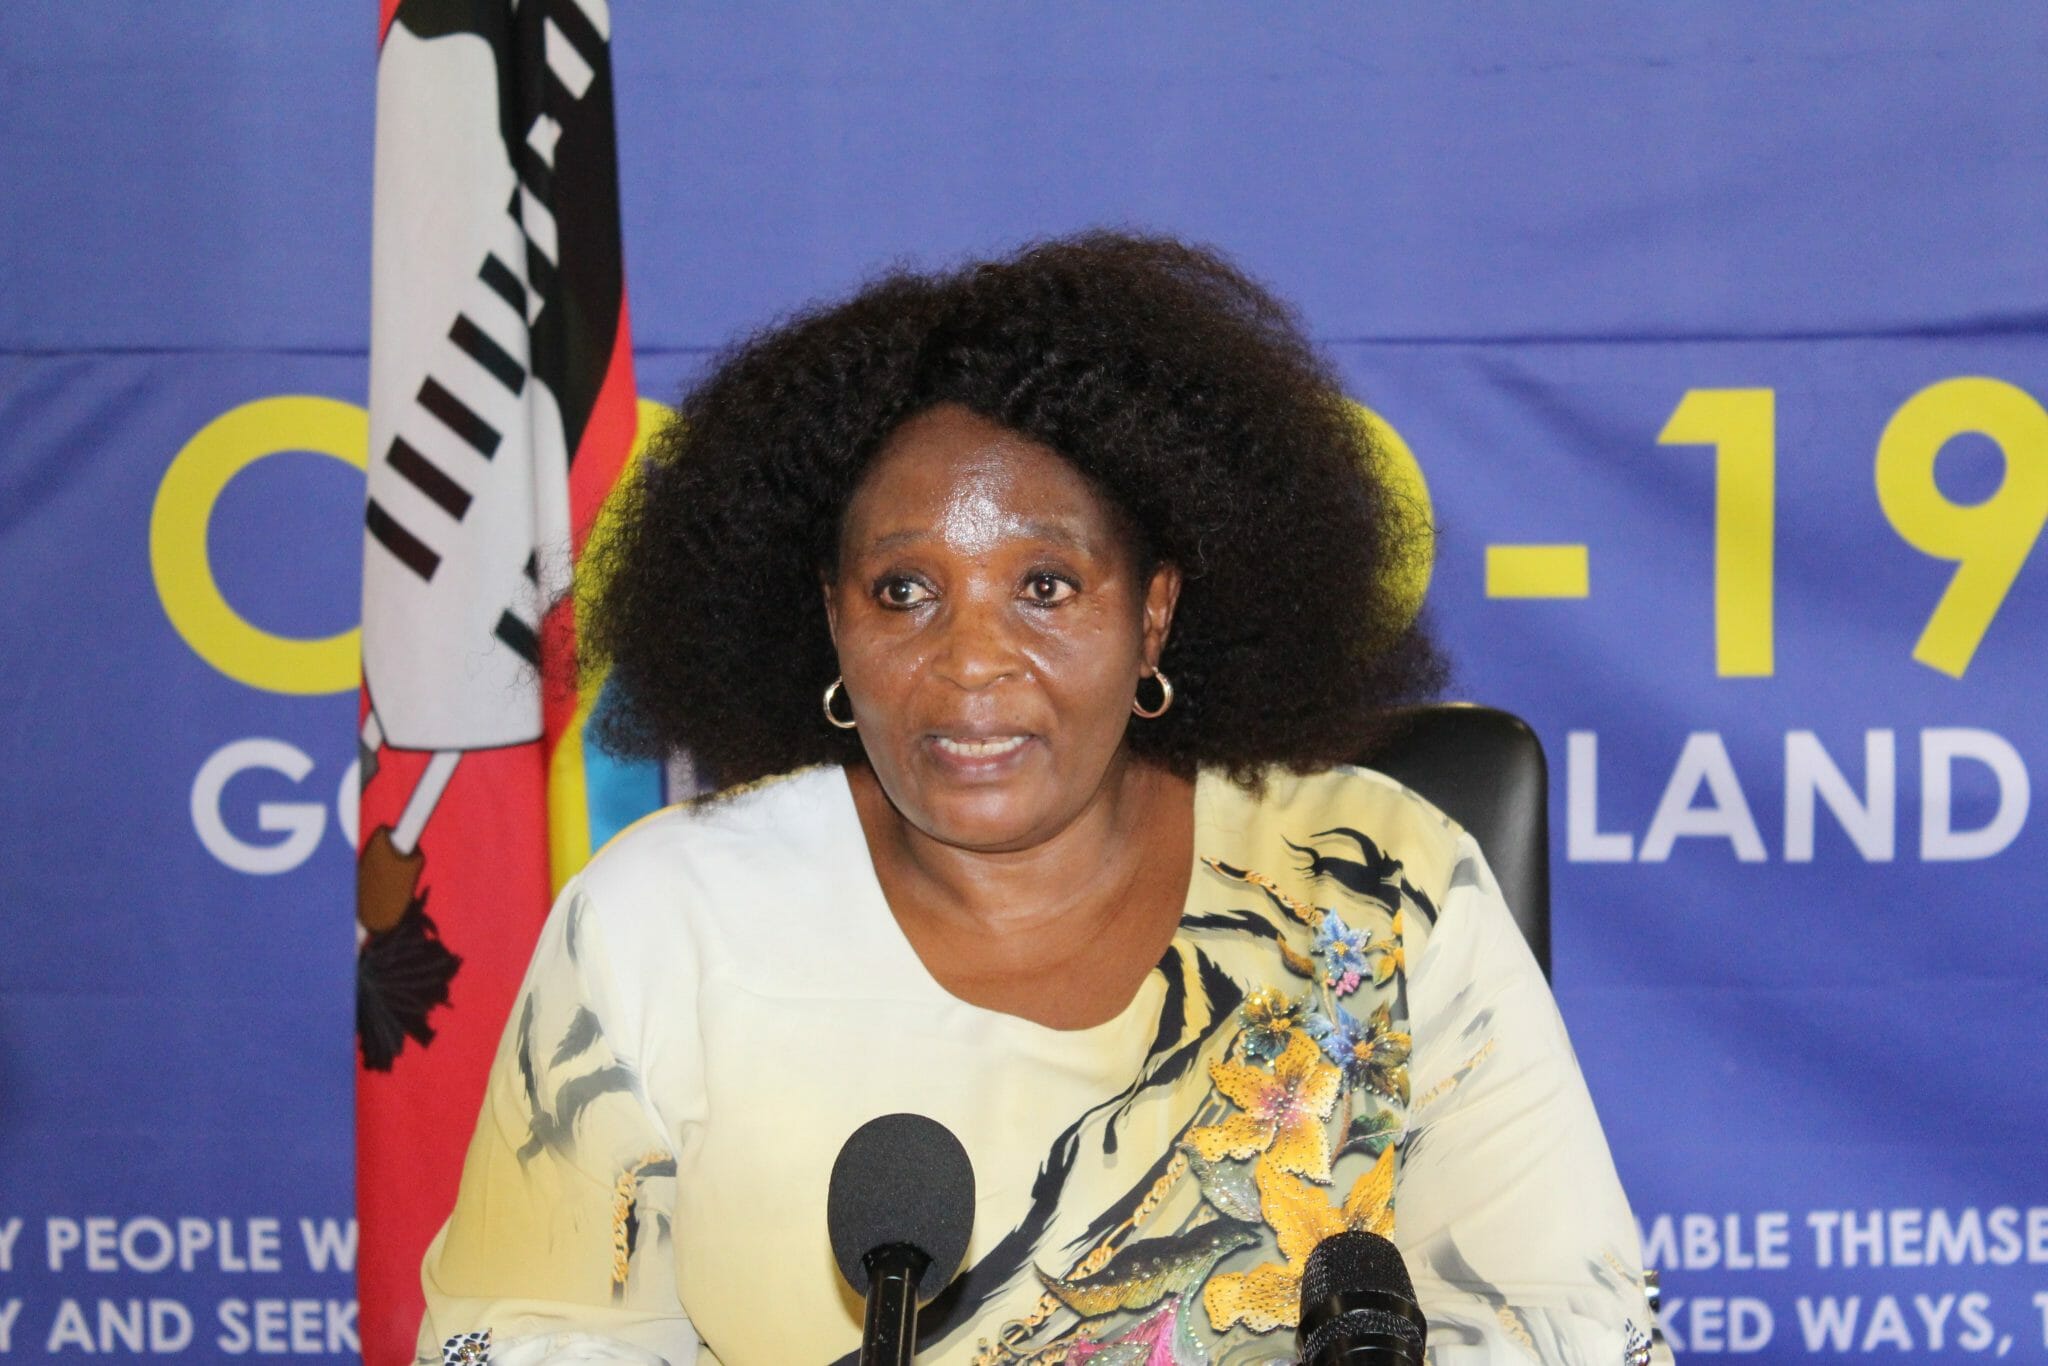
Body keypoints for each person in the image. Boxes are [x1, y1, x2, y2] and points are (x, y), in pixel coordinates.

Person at [416, 233, 1655, 1366]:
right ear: (830, 617)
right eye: (904, 591)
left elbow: (1573, 1332)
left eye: (1046, 587)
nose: (969, 663)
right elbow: (514, 1340)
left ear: (1151, 612)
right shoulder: (660, 923)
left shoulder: (1377, 881)